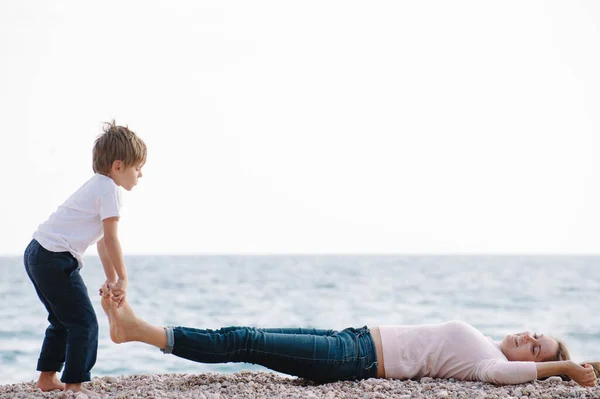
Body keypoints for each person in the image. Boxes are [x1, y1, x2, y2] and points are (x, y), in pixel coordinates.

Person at [99, 291, 598, 387]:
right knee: (246, 335)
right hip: (353, 337)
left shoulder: (489, 363)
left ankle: (140, 331)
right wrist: (577, 363)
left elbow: (503, 375)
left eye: (536, 347)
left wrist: (563, 369)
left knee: (245, 340)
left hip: (353, 358)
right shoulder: (487, 342)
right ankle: (141, 330)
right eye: (537, 335)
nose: (529, 339)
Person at [24, 121, 147, 395]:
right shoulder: (110, 190)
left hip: (37, 252)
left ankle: (47, 378)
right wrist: (125, 278)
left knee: (61, 319)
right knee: (84, 323)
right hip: (54, 257)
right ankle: (75, 385)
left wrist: (112, 279)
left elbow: (103, 241)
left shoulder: (98, 186)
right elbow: (112, 238)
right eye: (138, 168)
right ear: (118, 166)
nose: (140, 175)